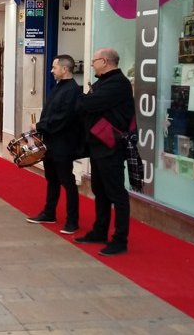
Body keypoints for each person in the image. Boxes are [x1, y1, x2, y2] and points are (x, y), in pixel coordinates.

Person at [75, 47, 135, 256]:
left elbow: (89, 103)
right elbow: (86, 104)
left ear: (106, 61)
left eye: (94, 61)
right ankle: (100, 231)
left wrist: (83, 100)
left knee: (116, 192)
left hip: (111, 146)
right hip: (98, 144)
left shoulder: (118, 84)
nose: (92, 64)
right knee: (100, 190)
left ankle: (120, 239)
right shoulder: (103, 82)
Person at [26, 55, 83, 234]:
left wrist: (40, 125)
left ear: (65, 69)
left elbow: (64, 117)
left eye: (54, 67)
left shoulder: (73, 90)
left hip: (63, 144)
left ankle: (72, 220)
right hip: (51, 142)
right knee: (51, 179)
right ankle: (49, 212)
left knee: (67, 181)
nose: (51, 71)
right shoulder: (59, 87)